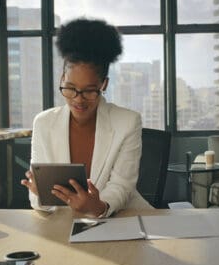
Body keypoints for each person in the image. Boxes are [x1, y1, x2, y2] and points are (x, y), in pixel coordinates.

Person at [21, 18, 152, 218]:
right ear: (61, 79)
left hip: (122, 218)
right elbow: (39, 200)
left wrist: (98, 206)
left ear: (104, 85)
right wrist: (41, 196)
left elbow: (122, 186)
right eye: (70, 88)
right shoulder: (44, 123)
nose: (78, 100)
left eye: (90, 91)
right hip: (65, 222)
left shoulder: (127, 122)